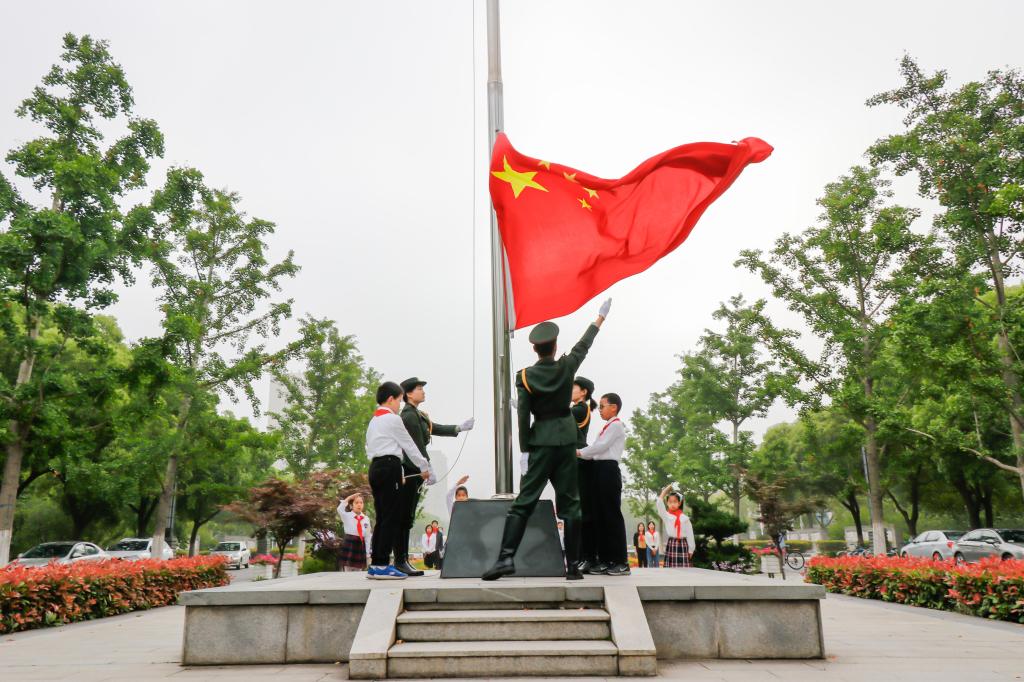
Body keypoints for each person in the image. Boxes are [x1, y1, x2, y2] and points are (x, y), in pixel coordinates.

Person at [482, 298, 612, 582]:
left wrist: (524, 450)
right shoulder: (566, 367)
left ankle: (505, 559)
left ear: (535, 349)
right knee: (571, 504)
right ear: (554, 346)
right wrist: (598, 319)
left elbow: (523, 416)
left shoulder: (525, 377)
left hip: (540, 442)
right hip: (566, 441)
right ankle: (573, 566)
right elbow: (583, 346)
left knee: (523, 502)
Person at [397, 377, 474, 577]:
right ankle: (400, 560)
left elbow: (434, 428)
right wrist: (427, 466)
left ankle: (403, 560)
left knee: (408, 516)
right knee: (405, 516)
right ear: (409, 394)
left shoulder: (418, 414)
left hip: (417, 470)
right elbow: (416, 445)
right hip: (411, 470)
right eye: (419, 388)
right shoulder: (408, 415)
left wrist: (458, 428)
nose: (423, 391)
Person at [365, 381, 435, 580]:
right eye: (398, 400)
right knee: (392, 517)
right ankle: (381, 565)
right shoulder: (393, 419)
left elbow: (368, 447)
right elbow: (409, 445)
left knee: (382, 516)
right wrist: (424, 467)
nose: (399, 404)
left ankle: (376, 564)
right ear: (390, 399)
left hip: (375, 467)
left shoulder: (374, 421)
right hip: (390, 466)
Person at [577, 393, 629, 575]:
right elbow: (595, 451)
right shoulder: (606, 427)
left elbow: (600, 447)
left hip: (608, 470)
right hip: (598, 469)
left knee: (611, 515)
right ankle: (606, 560)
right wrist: (582, 453)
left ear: (614, 407)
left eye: (602, 406)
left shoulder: (616, 426)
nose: (599, 410)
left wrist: (579, 452)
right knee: (600, 517)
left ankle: (621, 561)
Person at [571, 377, 599, 573]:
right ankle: (582, 557)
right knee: (578, 512)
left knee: (583, 512)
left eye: (573, 387)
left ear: (583, 392)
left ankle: (588, 557)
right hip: (577, 461)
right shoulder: (578, 409)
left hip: (580, 461)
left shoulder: (580, 409)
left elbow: (555, 414)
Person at [656, 485, 695, 568]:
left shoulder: (685, 518)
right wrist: (665, 491)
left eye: (675, 502)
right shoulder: (666, 516)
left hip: (683, 544)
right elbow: (659, 504)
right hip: (672, 543)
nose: (672, 504)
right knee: (670, 570)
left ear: (679, 503)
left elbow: (690, 534)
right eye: (670, 502)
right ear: (667, 503)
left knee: (684, 570)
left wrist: (691, 549)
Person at [337, 492, 373, 572]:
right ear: (351, 505)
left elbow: (368, 536)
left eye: (361, 503)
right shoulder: (347, 516)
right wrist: (349, 498)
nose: (359, 505)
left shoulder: (366, 519)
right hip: (349, 544)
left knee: (358, 572)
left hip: (360, 546)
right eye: (356, 503)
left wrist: (367, 553)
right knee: (347, 572)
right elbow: (339, 509)